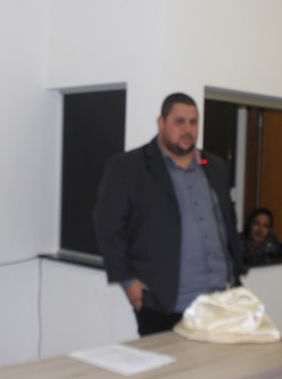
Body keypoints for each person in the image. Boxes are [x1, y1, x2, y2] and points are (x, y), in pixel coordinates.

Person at [93, 93, 243, 336]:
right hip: (165, 305)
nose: (188, 129)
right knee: (168, 362)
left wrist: (236, 271)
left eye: (193, 122)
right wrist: (128, 281)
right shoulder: (129, 167)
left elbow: (228, 220)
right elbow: (108, 227)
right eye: (179, 121)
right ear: (161, 123)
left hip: (221, 300)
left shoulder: (215, 166)